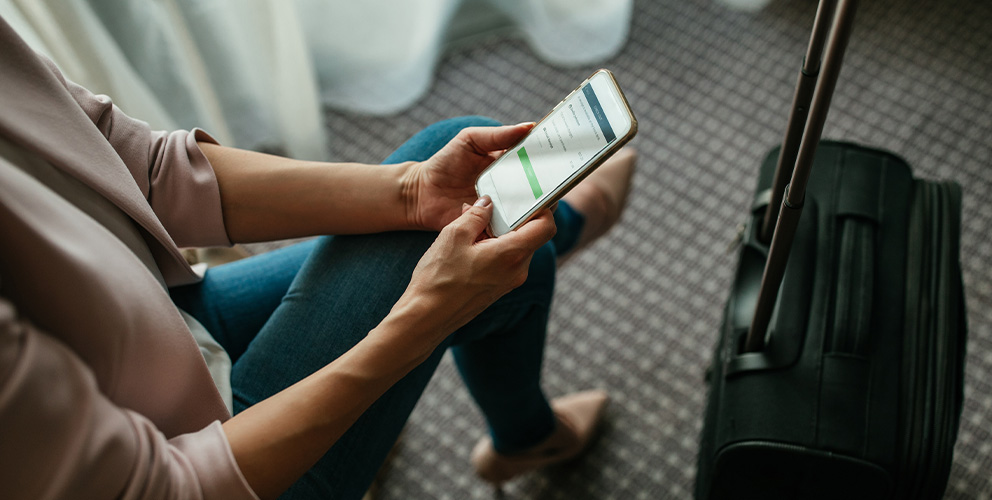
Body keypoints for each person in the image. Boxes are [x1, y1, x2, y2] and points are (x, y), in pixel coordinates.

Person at [0, 16, 635, 500]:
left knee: (480, 233)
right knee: (499, 258)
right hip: (200, 464)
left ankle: (524, 435)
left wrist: (411, 191)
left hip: (160, 324)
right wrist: (423, 318)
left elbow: (134, 163)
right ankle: (529, 421)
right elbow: (165, 488)